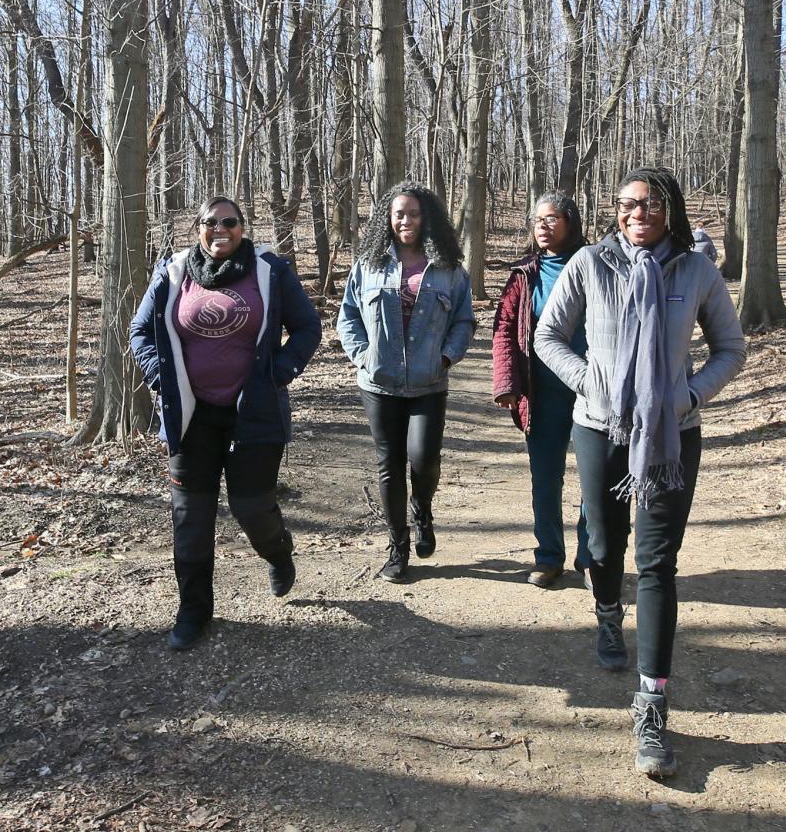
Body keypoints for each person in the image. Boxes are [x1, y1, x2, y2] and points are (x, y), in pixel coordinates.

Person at [534, 167, 745, 778]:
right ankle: (606, 615)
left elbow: (731, 348)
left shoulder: (696, 270)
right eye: (627, 204)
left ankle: (652, 704)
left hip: (670, 437)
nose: (637, 213)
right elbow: (550, 337)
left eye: (650, 204)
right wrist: (589, 383)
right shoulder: (591, 265)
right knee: (603, 542)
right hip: (599, 429)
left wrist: (689, 397)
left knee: (657, 563)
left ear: (670, 210)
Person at [129, 196, 321, 652]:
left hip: (253, 413)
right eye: (211, 222)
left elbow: (308, 328)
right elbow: (140, 330)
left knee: (251, 508)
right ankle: (193, 611)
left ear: (242, 227)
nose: (221, 230)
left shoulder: (269, 270)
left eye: (230, 222)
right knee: (190, 518)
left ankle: (278, 551)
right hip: (190, 418)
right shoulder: (174, 271)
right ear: (197, 227)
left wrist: (279, 372)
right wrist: (161, 378)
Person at [337, 182, 475, 583]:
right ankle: (398, 547)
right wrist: (364, 356)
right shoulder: (369, 264)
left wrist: (447, 356)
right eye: (399, 214)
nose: (406, 221)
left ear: (426, 218)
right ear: (388, 219)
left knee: (423, 459)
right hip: (378, 384)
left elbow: (464, 320)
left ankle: (423, 509)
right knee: (389, 466)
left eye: (413, 213)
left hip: (429, 383)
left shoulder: (449, 268)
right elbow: (347, 318)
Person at [491, 192, 592, 589]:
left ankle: (591, 559)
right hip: (542, 394)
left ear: (570, 222)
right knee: (545, 478)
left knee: (595, 479)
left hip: (592, 391)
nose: (542, 226)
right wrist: (507, 384)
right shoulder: (524, 276)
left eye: (551, 219)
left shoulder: (596, 263)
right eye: (537, 220)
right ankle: (549, 557)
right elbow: (504, 329)